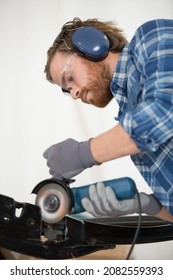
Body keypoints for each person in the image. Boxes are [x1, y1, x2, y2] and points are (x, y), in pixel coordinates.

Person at [43, 17, 173, 222]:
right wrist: (146, 204)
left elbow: (165, 109)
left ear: (91, 45)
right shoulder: (129, 126)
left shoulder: (151, 37)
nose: (75, 93)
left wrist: (84, 153)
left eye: (70, 78)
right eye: (67, 91)